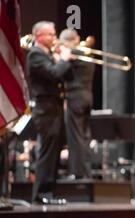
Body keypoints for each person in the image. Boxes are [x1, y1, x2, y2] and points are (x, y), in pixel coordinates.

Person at [27, 21, 74, 204]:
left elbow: (67, 77)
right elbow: (54, 74)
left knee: (54, 151)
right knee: (47, 152)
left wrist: (62, 59)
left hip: (55, 107)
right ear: (39, 36)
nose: (54, 38)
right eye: (51, 35)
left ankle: (49, 193)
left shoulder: (49, 54)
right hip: (45, 108)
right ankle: (40, 194)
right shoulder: (35, 55)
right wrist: (62, 60)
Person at [59, 29, 96, 180]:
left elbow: (62, 73)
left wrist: (62, 57)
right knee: (85, 136)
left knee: (75, 137)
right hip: (87, 96)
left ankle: (78, 173)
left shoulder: (73, 54)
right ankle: (86, 171)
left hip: (75, 98)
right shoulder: (87, 53)